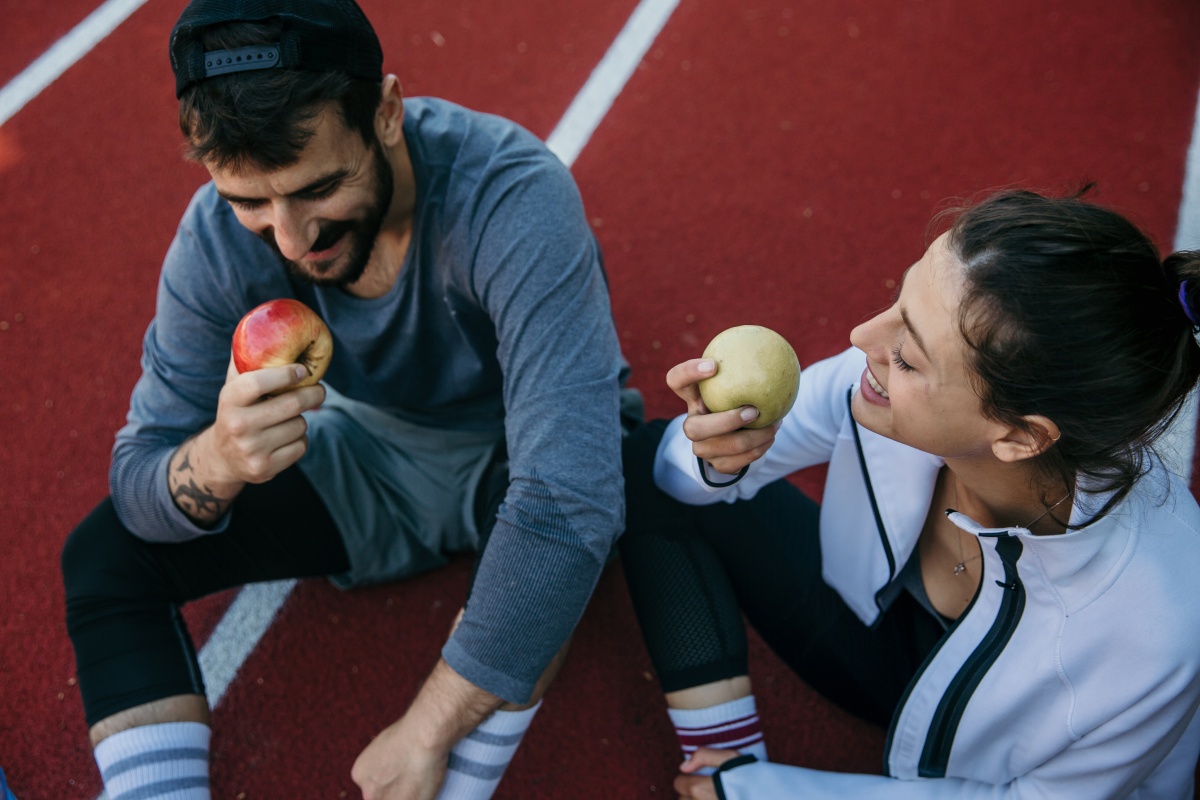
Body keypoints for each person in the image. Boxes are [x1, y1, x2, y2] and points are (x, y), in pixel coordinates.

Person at [60, 1, 640, 798]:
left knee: (571, 525)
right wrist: (221, 458)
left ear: (388, 112)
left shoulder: (510, 195)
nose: (293, 239)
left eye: (320, 187)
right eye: (252, 202)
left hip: (514, 449)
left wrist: (427, 727)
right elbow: (140, 481)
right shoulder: (216, 239)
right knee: (102, 559)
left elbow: (568, 499)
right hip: (373, 453)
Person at [619, 187, 1200, 798]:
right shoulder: (875, 386)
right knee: (645, 462)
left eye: (908, 354)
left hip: (971, 765)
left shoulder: (1161, 629)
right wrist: (720, 455)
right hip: (873, 641)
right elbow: (667, 476)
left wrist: (766, 792)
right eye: (897, 301)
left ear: (1021, 435)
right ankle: (721, 754)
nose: (861, 336)